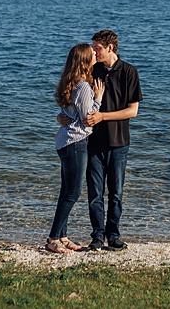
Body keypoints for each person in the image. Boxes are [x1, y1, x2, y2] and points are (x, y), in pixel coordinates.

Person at [83, 29, 142, 251]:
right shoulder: (93, 70)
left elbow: (132, 111)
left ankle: (113, 235)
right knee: (94, 194)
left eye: (97, 48)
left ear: (110, 47)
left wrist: (103, 116)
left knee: (116, 194)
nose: (94, 52)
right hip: (94, 142)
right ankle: (97, 236)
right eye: (93, 47)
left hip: (119, 143)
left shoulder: (129, 72)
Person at [46, 43, 105, 254]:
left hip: (65, 142)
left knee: (65, 192)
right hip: (75, 143)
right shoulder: (83, 87)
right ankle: (53, 238)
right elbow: (88, 119)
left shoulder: (70, 83)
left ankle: (62, 236)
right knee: (73, 193)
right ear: (85, 61)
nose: (95, 57)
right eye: (92, 55)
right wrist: (98, 98)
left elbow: (69, 114)